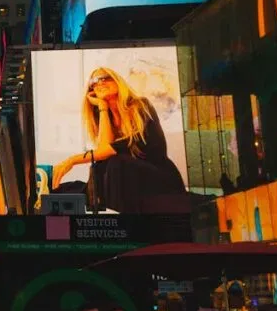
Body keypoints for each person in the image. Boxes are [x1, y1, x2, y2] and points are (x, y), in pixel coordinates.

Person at [51, 67, 186, 213]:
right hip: (129, 180)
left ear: (117, 81)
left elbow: (121, 146)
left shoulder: (140, 106)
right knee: (98, 168)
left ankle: (119, 222)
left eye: (104, 77)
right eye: (93, 82)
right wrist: (103, 107)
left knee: (117, 162)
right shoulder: (106, 118)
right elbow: (103, 151)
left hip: (159, 177)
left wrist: (72, 160)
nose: (99, 83)